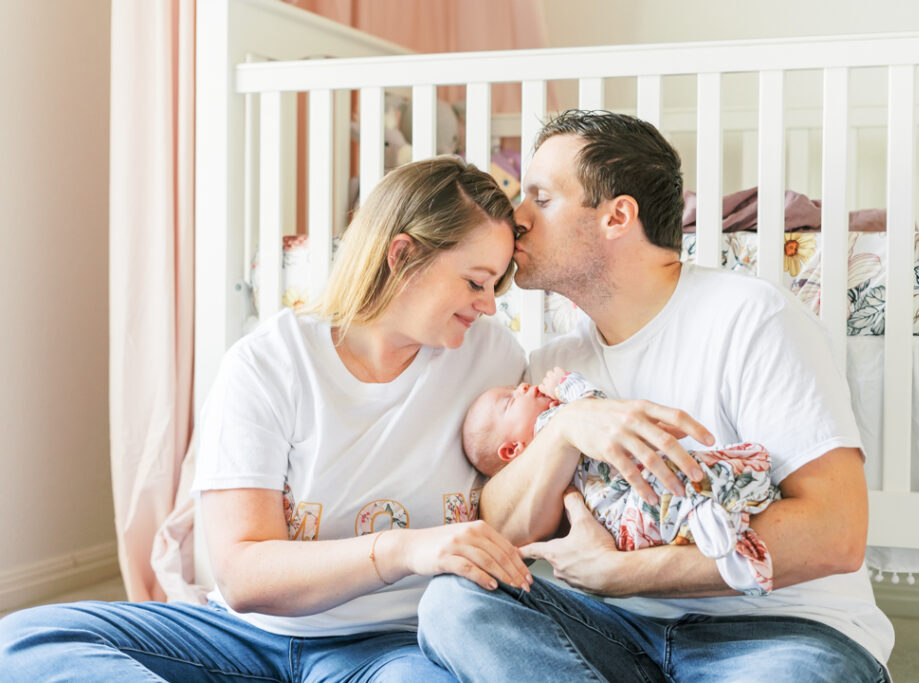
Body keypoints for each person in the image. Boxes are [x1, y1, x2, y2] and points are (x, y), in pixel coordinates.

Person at [0, 156, 534, 682]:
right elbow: (243, 575)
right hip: (244, 636)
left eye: (495, 287)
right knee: (26, 640)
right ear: (402, 255)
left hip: (391, 648)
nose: (487, 305)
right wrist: (403, 548)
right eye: (474, 282)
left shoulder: (494, 360)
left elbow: (524, 502)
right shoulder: (269, 362)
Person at [418, 111, 895, 682]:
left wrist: (625, 573)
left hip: (777, 633)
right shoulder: (552, 367)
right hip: (613, 629)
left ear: (617, 216)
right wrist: (570, 428)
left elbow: (834, 535)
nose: (514, 218)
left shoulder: (749, 317)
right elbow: (504, 529)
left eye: (541, 199)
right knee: (453, 605)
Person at [462, 367, 779, 596]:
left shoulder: (546, 468)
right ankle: (713, 522)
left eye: (516, 387)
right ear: (512, 449)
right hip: (632, 494)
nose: (523, 388)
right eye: (509, 401)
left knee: (670, 502)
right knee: (691, 482)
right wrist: (569, 385)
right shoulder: (548, 424)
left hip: (620, 522)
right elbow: (600, 408)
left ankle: (724, 539)